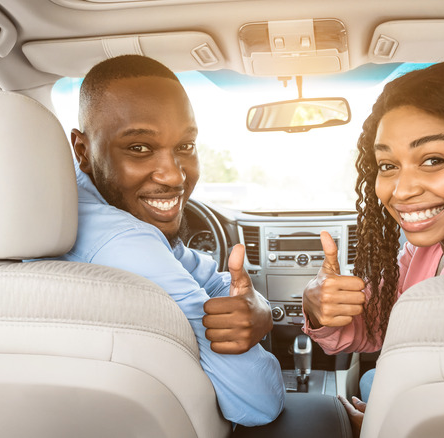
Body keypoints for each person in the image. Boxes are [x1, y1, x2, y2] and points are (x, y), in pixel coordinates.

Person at [300, 59, 444, 435]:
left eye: (432, 160)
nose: (401, 190)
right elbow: (379, 323)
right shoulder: (430, 249)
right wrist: (323, 308)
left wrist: (378, 427)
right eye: (388, 165)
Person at [61, 54, 284, 427]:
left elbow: (208, 276)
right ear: (83, 151)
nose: (175, 176)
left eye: (184, 146)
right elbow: (258, 405)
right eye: (139, 148)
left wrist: (255, 304)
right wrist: (260, 326)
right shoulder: (124, 240)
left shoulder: (69, 208)